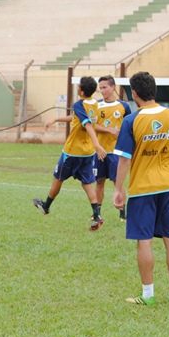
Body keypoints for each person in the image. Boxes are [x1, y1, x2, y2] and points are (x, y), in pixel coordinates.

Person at [113, 71, 169, 306]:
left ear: (134, 93)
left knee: (144, 241)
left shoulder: (132, 120)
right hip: (168, 185)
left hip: (144, 188)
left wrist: (118, 188)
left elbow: (124, 159)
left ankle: (148, 295)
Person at [33, 76, 107, 230]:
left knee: (57, 179)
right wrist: (56, 119)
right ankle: (97, 215)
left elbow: (87, 124)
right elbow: (78, 118)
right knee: (87, 183)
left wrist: (98, 144)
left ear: (82, 91)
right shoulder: (95, 104)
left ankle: (46, 206)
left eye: (78, 86)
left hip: (72, 151)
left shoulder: (79, 104)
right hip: (87, 153)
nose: (77, 88)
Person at [93, 75, 132, 222]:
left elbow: (129, 125)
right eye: (100, 88)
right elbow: (93, 125)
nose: (102, 91)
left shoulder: (124, 106)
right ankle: (97, 213)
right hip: (100, 150)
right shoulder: (96, 105)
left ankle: (123, 214)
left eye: (104, 87)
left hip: (116, 151)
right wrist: (109, 130)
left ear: (113, 87)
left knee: (118, 182)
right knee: (99, 181)